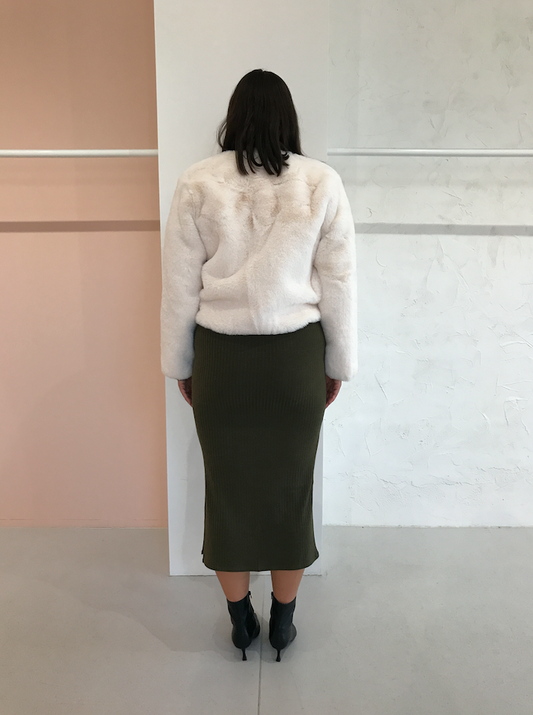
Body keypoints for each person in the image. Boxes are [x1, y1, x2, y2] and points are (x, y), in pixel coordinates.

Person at [160, 69, 357, 662]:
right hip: (295, 362)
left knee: (228, 496)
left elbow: (179, 288)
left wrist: (182, 365)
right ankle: (285, 623)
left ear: (234, 117)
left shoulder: (197, 183)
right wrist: (336, 363)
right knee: (290, 496)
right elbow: (340, 284)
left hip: (222, 363)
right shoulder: (321, 184)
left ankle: (241, 620)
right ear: (288, 120)